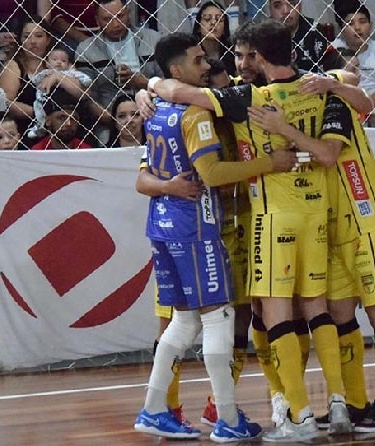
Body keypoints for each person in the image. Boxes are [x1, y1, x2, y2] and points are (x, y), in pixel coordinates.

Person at [144, 19, 362, 442]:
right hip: (292, 217)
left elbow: (180, 94)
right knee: (300, 310)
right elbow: (354, 92)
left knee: (254, 313)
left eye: (248, 56)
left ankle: (281, 412)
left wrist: (153, 83)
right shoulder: (320, 89)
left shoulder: (245, 98)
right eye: (232, 57)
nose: (239, 64)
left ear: (260, 58)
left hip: (264, 220)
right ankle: (330, 400)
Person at [133, 31, 297, 442]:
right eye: (197, 60)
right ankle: (226, 418)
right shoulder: (195, 114)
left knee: (185, 320)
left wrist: (149, 85)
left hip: (164, 223)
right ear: (177, 70)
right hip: (197, 226)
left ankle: (154, 410)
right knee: (219, 316)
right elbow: (212, 175)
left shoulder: (156, 109)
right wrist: (269, 163)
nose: (206, 65)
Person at [248, 67, 375, 434]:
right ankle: (354, 404)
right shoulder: (280, 98)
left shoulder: (332, 99)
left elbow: (353, 101)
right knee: (339, 315)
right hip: (328, 222)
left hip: (367, 218)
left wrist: (329, 87)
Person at [75, 0, 162, 114]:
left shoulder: (153, 40)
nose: (116, 24)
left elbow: (168, 81)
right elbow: (88, 99)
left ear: (128, 13)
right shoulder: (86, 50)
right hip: (109, 116)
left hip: (154, 111)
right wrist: (115, 121)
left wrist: (139, 81)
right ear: (97, 20)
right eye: (107, 19)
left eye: (120, 16)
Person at [0, 19, 53, 141]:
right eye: (27, 36)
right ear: (20, 41)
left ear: (48, 40)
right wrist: (39, 114)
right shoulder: (13, 66)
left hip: (57, 129)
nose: (33, 41)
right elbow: (5, 101)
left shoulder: (57, 63)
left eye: (38, 36)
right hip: (24, 131)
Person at [26, 47, 93, 139]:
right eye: (54, 59)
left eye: (63, 61)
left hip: (70, 106)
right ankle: (39, 127)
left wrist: (85, 80)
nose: (59, 62)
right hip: (43, 100)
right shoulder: (45, 73)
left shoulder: (71, 74)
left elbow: (83, 83)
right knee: (38, 110)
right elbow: (35, 81)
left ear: (69, 64)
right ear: (47, 63)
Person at [268, 0, 339, 73]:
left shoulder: (314, 30)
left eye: (292, 3)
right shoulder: (262, 36)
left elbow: (331, 70)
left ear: (300, 6)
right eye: (277, 6)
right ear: (270, 9)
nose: (286, 11)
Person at [29, 87, 94, 149]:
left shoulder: (86, 152)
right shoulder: (37, 152)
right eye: (62, 118)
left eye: (73, 119)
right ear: (48, 121)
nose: (69, 124)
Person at [193, 1, 236, 76]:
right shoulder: (191, 53)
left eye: (219, 20)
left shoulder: (233, 52)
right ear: (198, 27)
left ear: (224, 29)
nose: (213, 22)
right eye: (207, 19)